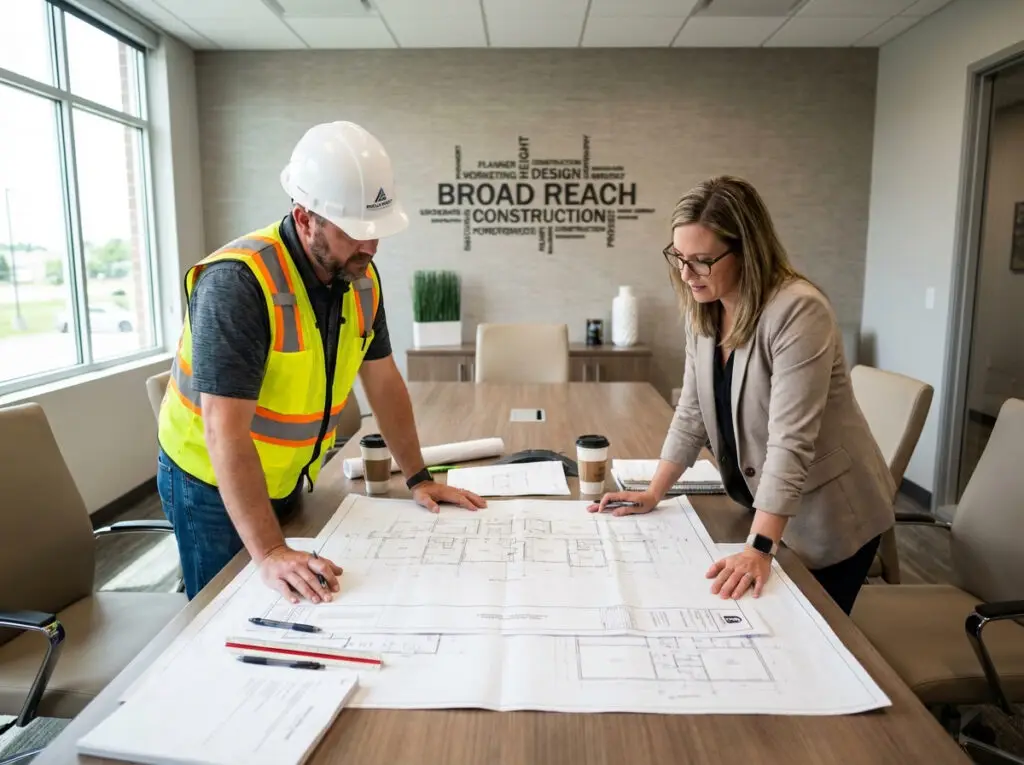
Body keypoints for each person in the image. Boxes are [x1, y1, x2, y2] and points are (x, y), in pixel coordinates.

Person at [156, 121, 485, 602]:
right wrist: (269, 550)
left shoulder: (359, 277)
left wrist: (419, 477)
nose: (370, 247)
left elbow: (384, 380)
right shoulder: (238, 285)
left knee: (294, 607)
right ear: (305, 217)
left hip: (284, 474)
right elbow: (223, 431)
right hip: (208, 482)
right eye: (355, 231)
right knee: (228, 615)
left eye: (377, 232)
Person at [590, 175, 894, 615]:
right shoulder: (706, 305)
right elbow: (692, 411)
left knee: (797, 646)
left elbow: (791, 441)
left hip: (828, 518)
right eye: (678, 257)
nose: (685, 273)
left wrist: (760, 547)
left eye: (701, 260)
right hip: (763, 505)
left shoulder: (797, 311)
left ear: (746, 250)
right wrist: (655, 491)